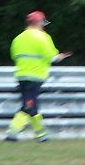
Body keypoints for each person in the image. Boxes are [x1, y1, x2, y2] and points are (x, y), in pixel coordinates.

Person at [5, 10, 70, 143]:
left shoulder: (18, 38)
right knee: (29, 106)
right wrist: (61, 56)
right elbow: (52, 58)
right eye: (42, 23)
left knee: (31, 105)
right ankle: (12, 133)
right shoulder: (43, 37)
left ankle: (41, 135)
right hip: (36, 76)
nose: (43, 26)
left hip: (21, 76)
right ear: (38, 23)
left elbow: (14, 56)